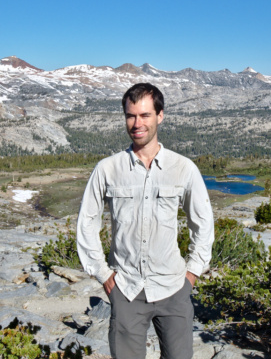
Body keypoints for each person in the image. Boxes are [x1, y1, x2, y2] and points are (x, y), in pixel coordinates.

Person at [77, 83, 215, 359]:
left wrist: (192, 275)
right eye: (130, 116)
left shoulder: (183, 169)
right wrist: (104, 276)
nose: (136, 123)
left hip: (174, 288)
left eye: (145, 115)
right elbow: (87, 223)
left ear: (160, 116)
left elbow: (203, 224)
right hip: (126, 289)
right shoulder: (107, 169)